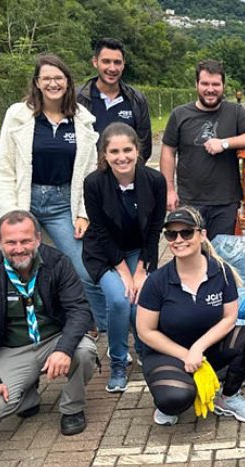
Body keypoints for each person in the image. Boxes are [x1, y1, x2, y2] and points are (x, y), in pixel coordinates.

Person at [0, 53, 106, 335]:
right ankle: (15, 332)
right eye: (47, 78)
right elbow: (4, 168)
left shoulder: (82, 120)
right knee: (17, 266)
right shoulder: (18, 116)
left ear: (68, 82)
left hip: (62, 204)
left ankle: (105, 328)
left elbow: (90, 171)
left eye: (59, 78)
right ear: (37, 82)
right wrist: (11, 214)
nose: (53, 83)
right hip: (25, 199)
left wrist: (83, 213)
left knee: (84, 269)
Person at [0, 210, 98, 436]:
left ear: (38, 238)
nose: (19, 248)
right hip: (14, 346)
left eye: (26, 240)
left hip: (55, 338)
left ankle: (72, 408)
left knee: (85, 352)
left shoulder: (58, 262)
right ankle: (28, 395)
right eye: (11, 242)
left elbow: (79, 310)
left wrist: (64, 349)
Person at [136, 207, 245, 426]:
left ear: (202, 235)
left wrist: (198, 349)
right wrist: (185, 354)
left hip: (205, 350)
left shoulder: (221, 272)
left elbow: (229, 318)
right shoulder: (156, 281)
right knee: (174, 399)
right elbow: (145, 331)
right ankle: (175, 391)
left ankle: (228, 396)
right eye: (171, 234)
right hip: (167, 353)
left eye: (186, 232)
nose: (178, 239)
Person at [82, 123, 167, 392]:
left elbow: (154, 230)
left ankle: (143, 347)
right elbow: (101, 231)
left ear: (137, 150)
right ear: (104, 155)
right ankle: (118, 360)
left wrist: (141, 270)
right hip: (103, 253)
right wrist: (125, 273)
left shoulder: (155, 181)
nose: (122, 157)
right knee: (120, 299)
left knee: (140, 298)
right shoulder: (94, 183)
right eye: (114, 151)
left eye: (127, 150)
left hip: (138, 250)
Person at [159, 60, 245, 236]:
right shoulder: (180, 114)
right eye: (205, 84)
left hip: (226, 203)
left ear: (223, 86)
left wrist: (224, 143)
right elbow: (168, 151)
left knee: (221, 257)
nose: (210, 89)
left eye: (216, 84)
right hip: (190, 201)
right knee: (191, 254)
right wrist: (169, 190)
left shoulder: (235, 112)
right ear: (196, 84)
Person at [77, 38, 153, 165]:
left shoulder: (136, 99)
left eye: (117, 62)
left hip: (124, 178)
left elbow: (144, 146)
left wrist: (126, 174)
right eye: (106, 61)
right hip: (88, 178)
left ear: (123, 64)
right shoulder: (77, 98)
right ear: (95, 62)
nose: (112, 68)